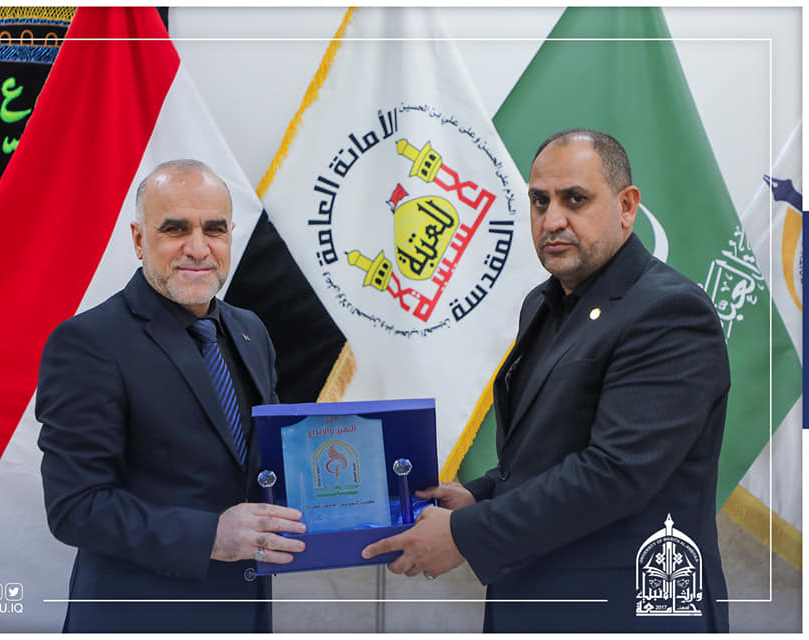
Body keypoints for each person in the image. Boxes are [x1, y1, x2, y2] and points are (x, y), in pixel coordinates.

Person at [362, 129, 731, 632]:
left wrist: (466, 534)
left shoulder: (670, 313)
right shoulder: (543, 302)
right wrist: (481, 496)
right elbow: (545, 449)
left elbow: (613, 474)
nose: (552, 220)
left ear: (626, 207)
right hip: (534, 601)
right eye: (540, 201)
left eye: (575, 199)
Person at [36, 159, 306, 632]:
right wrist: (210, 536)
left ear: (230, 236)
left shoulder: (250, 331)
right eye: (176, 229)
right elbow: (75, 507)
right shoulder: (87, 343)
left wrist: (384, 499)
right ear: (140, 239)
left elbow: (266, 462)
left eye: (214, 229)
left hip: (244, 616)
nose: (198, 248)